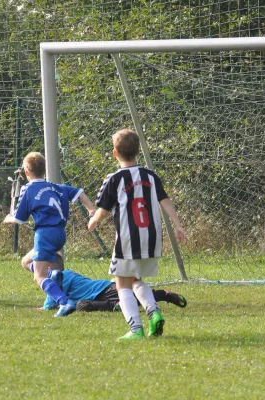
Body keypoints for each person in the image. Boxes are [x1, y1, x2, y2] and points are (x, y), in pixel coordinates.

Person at [88, 129, 187, 341]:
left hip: (128, 239)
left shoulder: (114, 179)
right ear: (138, 152)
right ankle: (153, 311)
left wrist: (94, 220)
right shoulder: (150, 176)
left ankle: (135, 329)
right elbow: (165, 201)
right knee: (136, 279)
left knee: (121, 283)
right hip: (151, 238)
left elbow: (104, 209)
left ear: (115, 153)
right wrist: (178, 226)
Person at [4, 152, 95, 317]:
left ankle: (65, 302)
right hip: (60, 234)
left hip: (45, 233)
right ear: (45, 170)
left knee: (39, 276)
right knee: (26, 261)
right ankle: (51, 300)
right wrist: (91, 209)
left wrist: (9, 219)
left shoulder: (28, 189)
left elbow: (20, 219)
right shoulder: (56, 187)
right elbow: (79, 192)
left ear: (26, 172)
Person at [41, 269, 187, 312]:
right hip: (97, 299)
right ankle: (116, 305)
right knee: (82, 306)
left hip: (104, 290)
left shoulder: (64, 276)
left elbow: (49, 305)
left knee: (132, 298)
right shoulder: (55, 284)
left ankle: (164, 295)